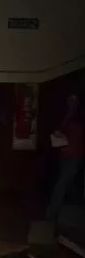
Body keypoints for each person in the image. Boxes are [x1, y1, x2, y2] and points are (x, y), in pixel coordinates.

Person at [47, 93, 83, 223]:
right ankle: (66, 210)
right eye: (70, 100)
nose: (71, 103)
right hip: (65, 154)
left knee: (63, 182)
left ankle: (54, 212)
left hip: (74, 155)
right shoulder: (66, 116)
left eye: (74, 100)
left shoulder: (79, 118)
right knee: (68, 182)